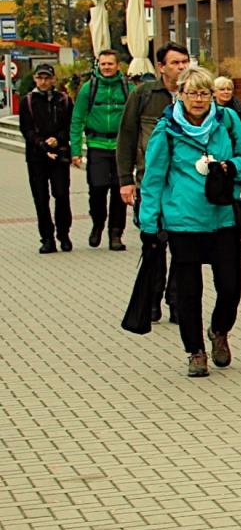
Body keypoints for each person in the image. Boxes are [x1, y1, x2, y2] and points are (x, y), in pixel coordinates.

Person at [137, 66, 241, 379]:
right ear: (180, 95)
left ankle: (219, 330)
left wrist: (231, 167)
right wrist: (149, 223)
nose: (199, 99)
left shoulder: (227, 120)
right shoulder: (166, 130)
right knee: (188, 292)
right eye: (192, 93)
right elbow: (153, 179)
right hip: (184, 220)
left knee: (230, 286)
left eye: (204, 93)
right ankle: (195, 352)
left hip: (223, 216)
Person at [119, 42, 191, 322]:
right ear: (161, 67)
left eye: (185, 61)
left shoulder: (196, 94)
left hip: (184, 185)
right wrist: (125, 180)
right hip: (150, 183)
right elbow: (127, 136)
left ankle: (177, 300)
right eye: (175, 63)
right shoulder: (144, 94)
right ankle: (151, 300)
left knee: (182, 246)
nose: (181, 67)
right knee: (154, 244)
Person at [70, 51, 133, 251]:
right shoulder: (88, 88)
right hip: (97, 145)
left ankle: (116, 233)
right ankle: (98, 223)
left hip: (120, 147)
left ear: (117, 66)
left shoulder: (128, 89)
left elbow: (136, 118)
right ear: (98, 65)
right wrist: (75, 150)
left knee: (119, 191)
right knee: (97, 189)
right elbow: (77, 119)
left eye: (110, 64)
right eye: (103, 64)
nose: (106, 67)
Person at [18, 63, 73, 254]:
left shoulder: (64, 100)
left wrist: (57, 140)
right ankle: (47, 238)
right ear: (35, 79)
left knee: (62, 195)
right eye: (40, 78)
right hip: (36, 156)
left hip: (59, 153)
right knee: (41, 198)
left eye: (47, 78)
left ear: (53, 79)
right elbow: (26, 129)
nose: (43, 81)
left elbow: (70, 125)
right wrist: (42, 145)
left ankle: (63, 234)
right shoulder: (27, 101)